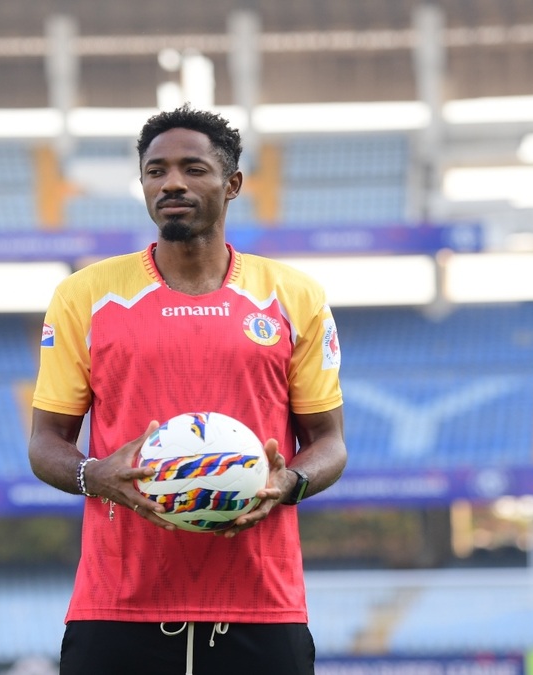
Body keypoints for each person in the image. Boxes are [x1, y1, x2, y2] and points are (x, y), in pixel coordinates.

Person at [28, 104, 347, 675]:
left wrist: (289, 482)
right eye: (156, 170)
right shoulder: (85, 295)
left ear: (232, 184)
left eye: (192, 168)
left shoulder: (294, 296)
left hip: (261, 607)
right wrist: (93, 475)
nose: (171, 182)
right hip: (116, 609)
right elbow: (46, 443)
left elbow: (330, 443)